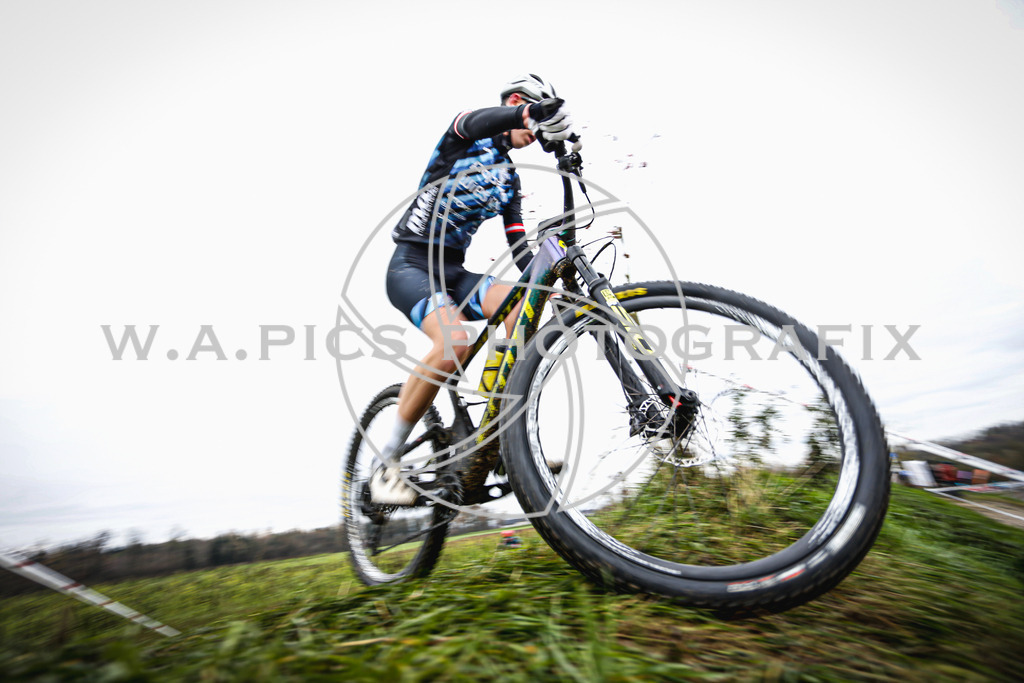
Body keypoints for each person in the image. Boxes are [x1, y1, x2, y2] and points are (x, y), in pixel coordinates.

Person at [372, 74, 579, 504]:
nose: (535, 135)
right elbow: (476, 121)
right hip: (411, 266)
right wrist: (530, 114)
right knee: (453, 343)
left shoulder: (509, 180)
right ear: (519, 102)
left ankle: (497, 429)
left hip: (455, 272)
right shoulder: (463, 138)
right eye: (530, 122)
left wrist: (550, 281)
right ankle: (384, 465)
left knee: (527, 302)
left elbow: (520, 248)